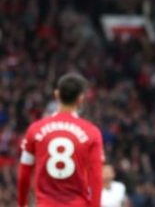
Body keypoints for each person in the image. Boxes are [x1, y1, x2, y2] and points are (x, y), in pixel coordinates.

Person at [17, 72, 104, 207]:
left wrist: (22, 204)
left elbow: (24, 174)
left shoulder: (34, 129)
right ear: (81, 99)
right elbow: (96, 178)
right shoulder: (92, 133)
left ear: (56, 95)